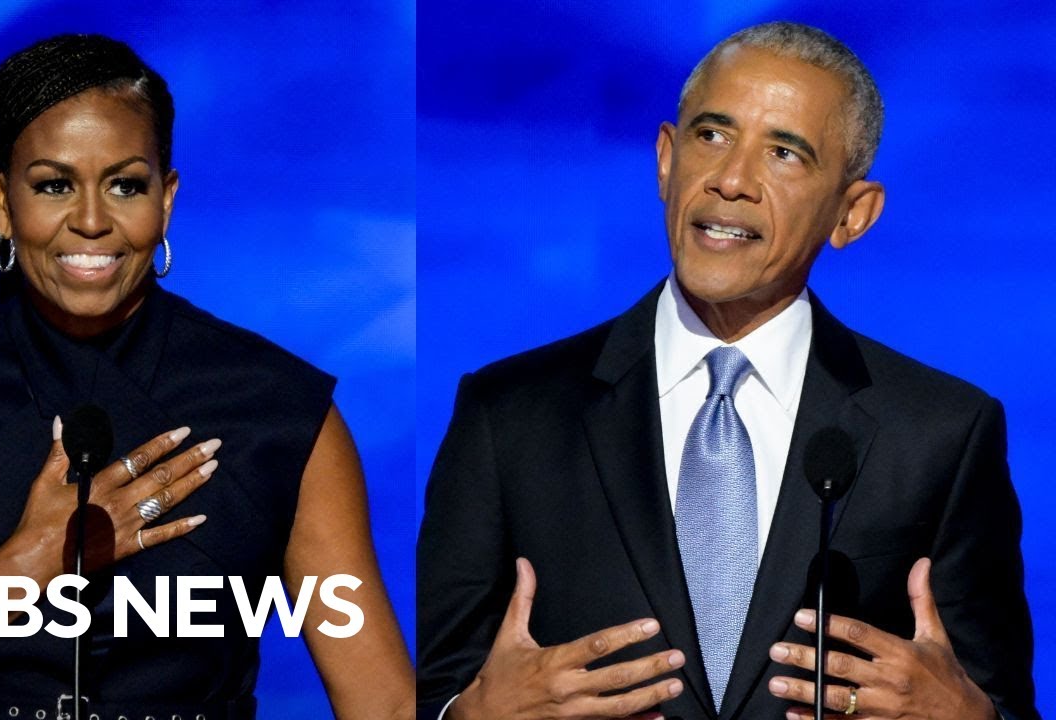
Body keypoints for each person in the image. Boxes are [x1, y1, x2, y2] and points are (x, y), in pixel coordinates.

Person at [0, 34, 414, 720]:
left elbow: (382, 704)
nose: (89, 221)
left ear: (166, 199)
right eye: (53, 185)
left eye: (125, 185)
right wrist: (17, 571)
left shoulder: (282, 412)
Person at [417, 22, 1036, 720]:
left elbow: (1000, 699)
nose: (732, 181)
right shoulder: (509, 416)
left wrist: (970, 718)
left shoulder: (941, 434)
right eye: (712, 136)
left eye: (784, 153)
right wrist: (468, 716)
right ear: (664, 159)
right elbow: (431, 692)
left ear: (852, 214)